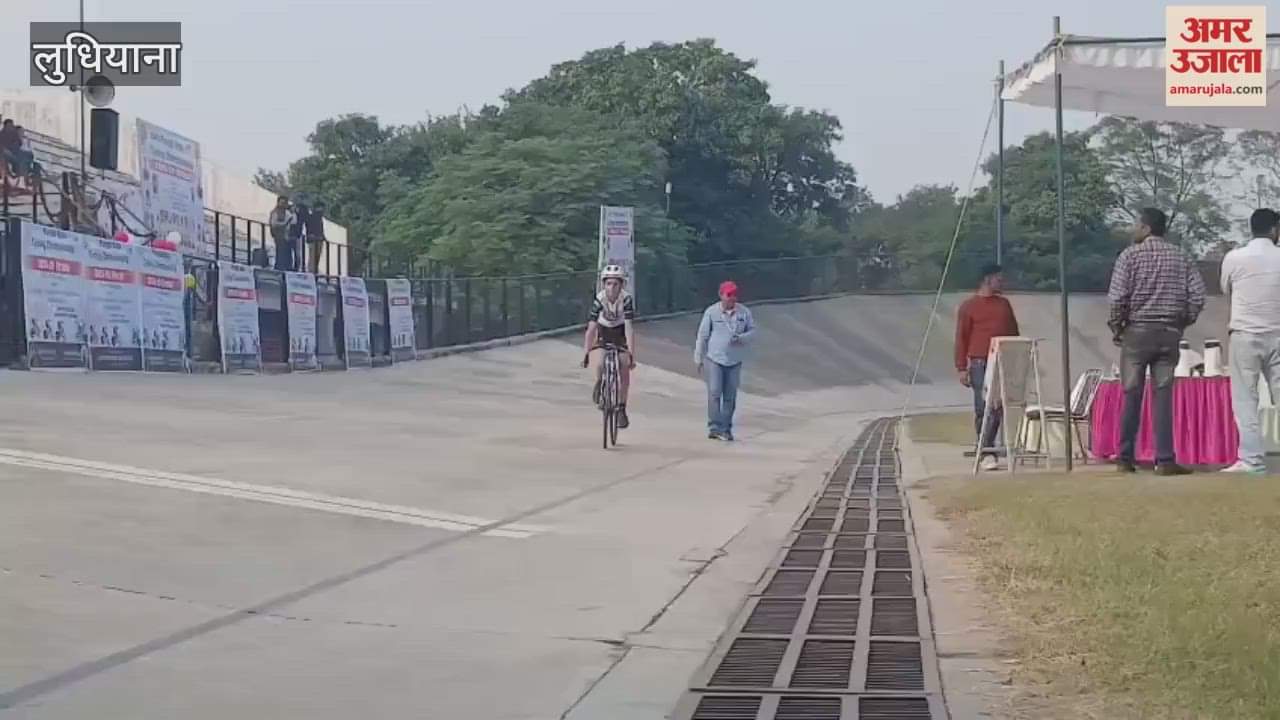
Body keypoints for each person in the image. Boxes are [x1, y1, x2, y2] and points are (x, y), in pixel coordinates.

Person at [1107, 207, 1205, 475]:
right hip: (1169, 332)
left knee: (1131, 393)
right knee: (1163, 395)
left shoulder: (1129, 256)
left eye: (1136, 225)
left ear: (1147, 228)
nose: (1133, 229)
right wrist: (1182, 321)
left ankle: (1125, 457)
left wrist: (1117, 327)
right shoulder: (1181, 256)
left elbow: (1117, 298)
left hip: (1137, 332)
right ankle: (1165, 459)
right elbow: (1197, 295)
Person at [1220, 208, 1280, 474]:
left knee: (1246, 399)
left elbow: (1226, 289)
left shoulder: (1235, 258)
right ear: (1274, 229)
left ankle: (1252, 460)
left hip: (1244, 334)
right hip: (1278, 333)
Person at [954, 264, 1019, 471]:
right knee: (984, 407)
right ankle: (986, 451)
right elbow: (961, 338)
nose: (1002, 282)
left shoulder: (1004, 305)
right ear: (987, 279)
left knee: (997, 406)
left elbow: (1014, 333)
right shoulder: (969, 306)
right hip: (980, 361)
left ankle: (987, 446)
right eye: (998, 278)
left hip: (1002, 360)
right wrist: (961, 367)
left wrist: (1016, 359)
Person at [694, 280, 756, 441]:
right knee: (715, 391)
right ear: (721, 295)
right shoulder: (712, 312)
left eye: (734, 295)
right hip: (715, 358)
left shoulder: (744, 313)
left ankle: (726, 427)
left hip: (735, 360)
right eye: (728, 295)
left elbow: (753, 332)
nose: (732, 298)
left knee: (730, 395)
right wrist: (698, 356)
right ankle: (714, 426)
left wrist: (741, 338)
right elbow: (703, 335)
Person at [581, 265, 636, 429]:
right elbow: (591, 328)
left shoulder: (626, 299)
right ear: (604, 285)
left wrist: (632, 353)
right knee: (600, 362)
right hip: (604, 330)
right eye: (608, 284)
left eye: (615, 284)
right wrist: (586, 352)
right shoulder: (600, 298)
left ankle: (621, 408)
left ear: (621, 286)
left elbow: (629, 328)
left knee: (624, 366)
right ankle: (600, 383)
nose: (612, 288)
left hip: (619, 332)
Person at [268, 196, 298, 272]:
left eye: (285, 203)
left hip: (287, 236)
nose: (283, 205)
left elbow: (294, 222)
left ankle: (286, 269)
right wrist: (284, 224)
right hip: (278, 235)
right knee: (280, 254)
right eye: (282, 203)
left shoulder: (287, 212)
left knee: (287, 254)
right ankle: (279, 269)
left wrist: (293, 213)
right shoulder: (275, 212)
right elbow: (274, 224)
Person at [305, 202, 327, 274]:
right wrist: (311, 235)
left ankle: (314, 271)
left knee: (317, 256)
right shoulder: (311, 217)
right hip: (313, 239)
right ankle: (311, 271)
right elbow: (308, 227)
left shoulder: (320, 218)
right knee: (313, 257)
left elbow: (320, 229)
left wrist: (323, 236)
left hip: (319, 239)